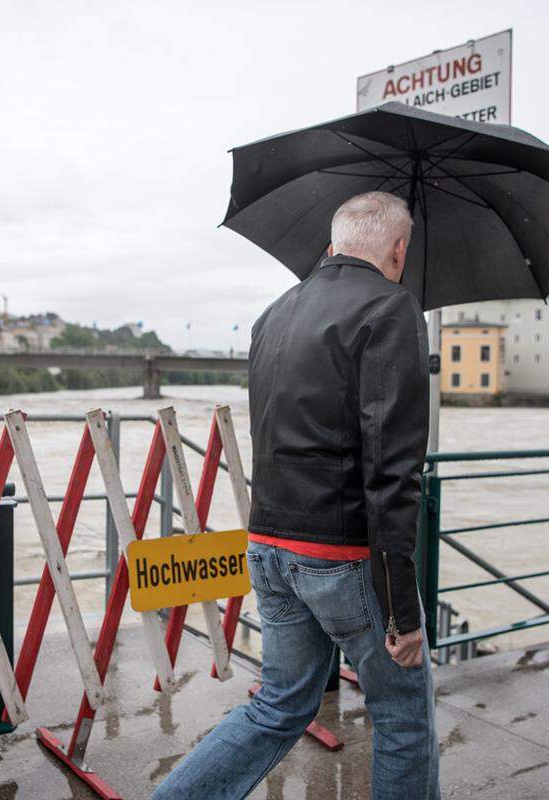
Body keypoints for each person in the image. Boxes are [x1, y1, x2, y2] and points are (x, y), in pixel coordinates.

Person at [153, 191, 437, 800]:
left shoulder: (274, 313)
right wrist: (402, 613)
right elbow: (393, 472)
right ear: (397, 249)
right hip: (342, 556)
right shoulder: (391, 310)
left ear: (332, 244)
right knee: (402, 715)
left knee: (279, 706)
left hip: (269, 544)